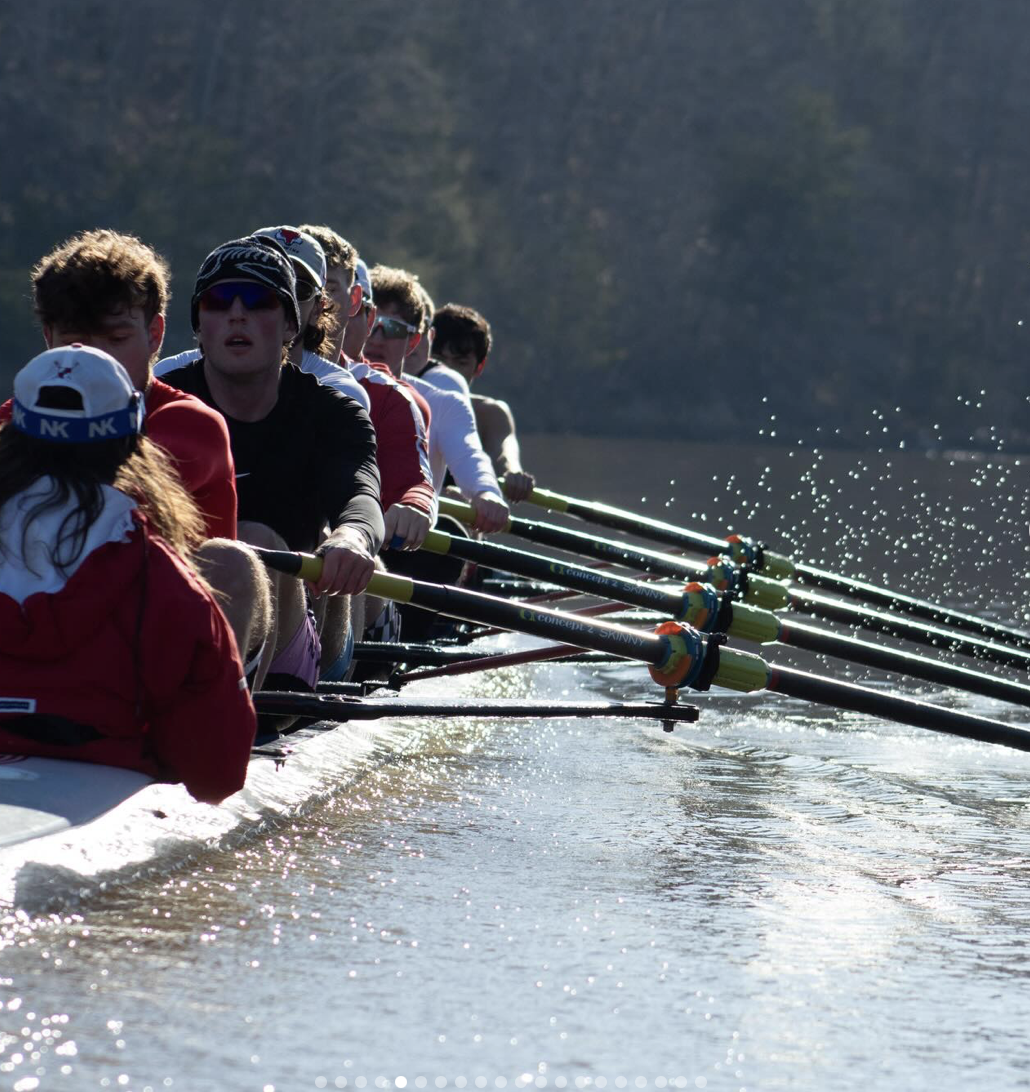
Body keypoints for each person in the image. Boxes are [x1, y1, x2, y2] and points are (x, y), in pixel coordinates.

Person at [13, 229, 273, 683]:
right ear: (48, 336)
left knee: (232, 562)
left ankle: (207, 729)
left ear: (154, 334)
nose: (97, 361)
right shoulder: (10, 421)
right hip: (44, 626)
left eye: (115, 339)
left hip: (162, 639)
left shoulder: (190, 425)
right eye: (76, 341)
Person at [0, 345, 256, 804]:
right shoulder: (165, 580)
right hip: (100, 797)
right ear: (132, 438)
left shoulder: (163, 579)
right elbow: (219, 773)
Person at [161, 235, 383, 689]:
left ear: (290, 326)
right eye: (219, 301)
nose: (236, 314)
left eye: (259, 300)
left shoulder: (333, 412)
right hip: (173, 616)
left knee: (250, 542)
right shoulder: (156, 407)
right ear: (199, 327)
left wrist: (352, 537)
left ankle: (216, 708)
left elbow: (361, 493)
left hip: (300, 637)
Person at [300, 225, 436, 552]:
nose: (316, 300)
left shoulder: (388, 398)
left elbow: (413, 485)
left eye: (329, 287)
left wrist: (414, 506)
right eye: (302, 285)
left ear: (354, 301)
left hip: (350, 556)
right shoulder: (224, 374)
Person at [155, 225, 370, 413]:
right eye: (260, 289)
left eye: (299, 289)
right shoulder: (166, 376)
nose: (286, 299)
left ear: (318, 309)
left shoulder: (340, 394)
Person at [362, 264, 509, 534]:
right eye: (371, 324)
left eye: (393, 328)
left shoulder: (444, 404)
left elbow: (470, 458)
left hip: (404, 544)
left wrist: (486, 493)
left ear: (414, 341)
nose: (377, 339)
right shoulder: (326, 384)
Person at [431, 303, 535, 502]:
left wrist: (513, 473)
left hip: (458, 521)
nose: (447, 371)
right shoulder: (401, 400)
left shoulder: (489, 414)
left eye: (460, 363)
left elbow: (505, 455)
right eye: (439, 359)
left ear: (479, 367)